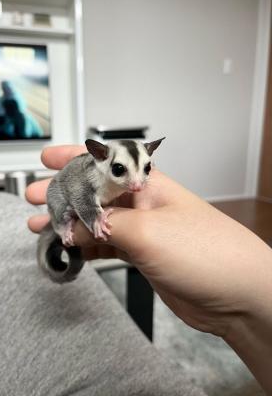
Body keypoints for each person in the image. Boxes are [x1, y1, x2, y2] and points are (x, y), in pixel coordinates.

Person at [26, 144, 272, 395]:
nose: (137, 184)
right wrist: (85, 220)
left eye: (145, 170)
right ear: (100, 157)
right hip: (63, 200)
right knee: (63, 206)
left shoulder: (120, 178)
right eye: (121, 170)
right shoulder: (90, 174)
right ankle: (59, 228)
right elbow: (78, 195)